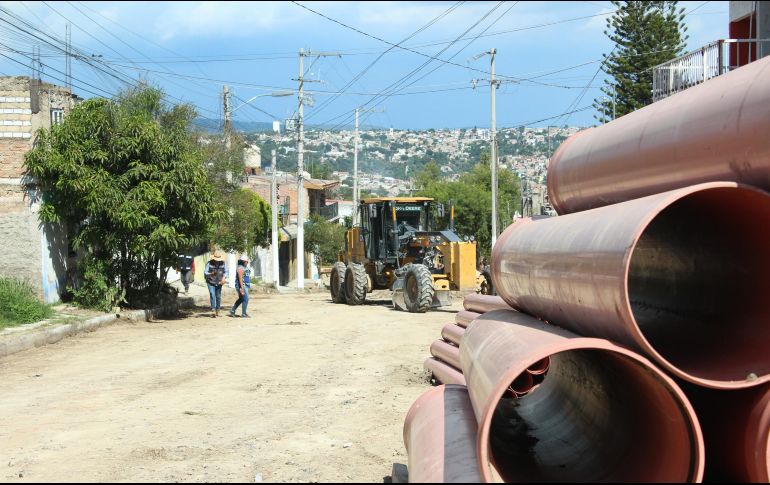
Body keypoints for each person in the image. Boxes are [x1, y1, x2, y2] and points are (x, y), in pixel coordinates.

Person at [205, 250, 228, 318]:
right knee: (212, 294)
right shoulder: (209, 263)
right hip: (210, 282)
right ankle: (213, 309)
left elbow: (226, 272)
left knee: (218, 296)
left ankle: (217, 311)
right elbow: (205, 272)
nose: (217, 260)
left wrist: (224, 278)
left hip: (219, 282)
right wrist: (211, 273)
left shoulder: (223, 263)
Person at [229, 254, 252, 318]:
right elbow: (240, 279)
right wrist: (241, 288)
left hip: (245, 285)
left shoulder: (244, 267)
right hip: (242, 285)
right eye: (247, 261)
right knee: (246, 299)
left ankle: (232, 310)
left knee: (242, 299)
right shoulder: (240, 268)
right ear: (244, 261)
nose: (247, 262)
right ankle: (243, 313)